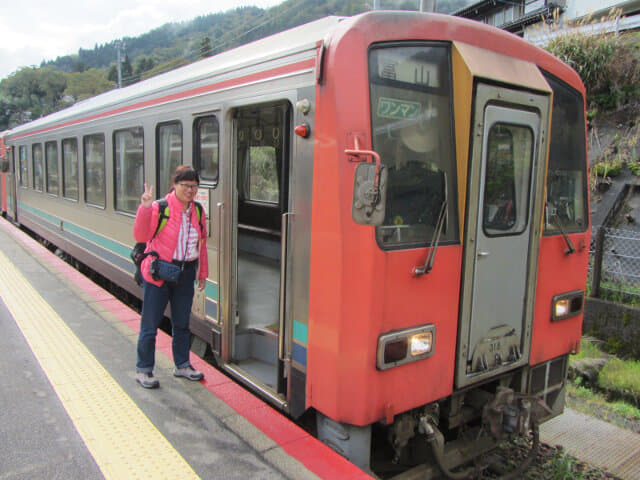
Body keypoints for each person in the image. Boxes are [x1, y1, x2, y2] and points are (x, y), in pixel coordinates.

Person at [133, 165, 208, 388]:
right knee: (150, 323)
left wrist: (202, 272)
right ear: (174, 185)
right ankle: (144, 369)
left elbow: (201, 244)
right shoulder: (160, 207)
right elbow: (141, 235)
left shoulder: (197, 210)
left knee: (182, 323)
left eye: (194, 186)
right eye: (185, 185)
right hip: (160, 272)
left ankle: (182, 365)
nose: (190, 190)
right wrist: (145, 208)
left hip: (185, 272)